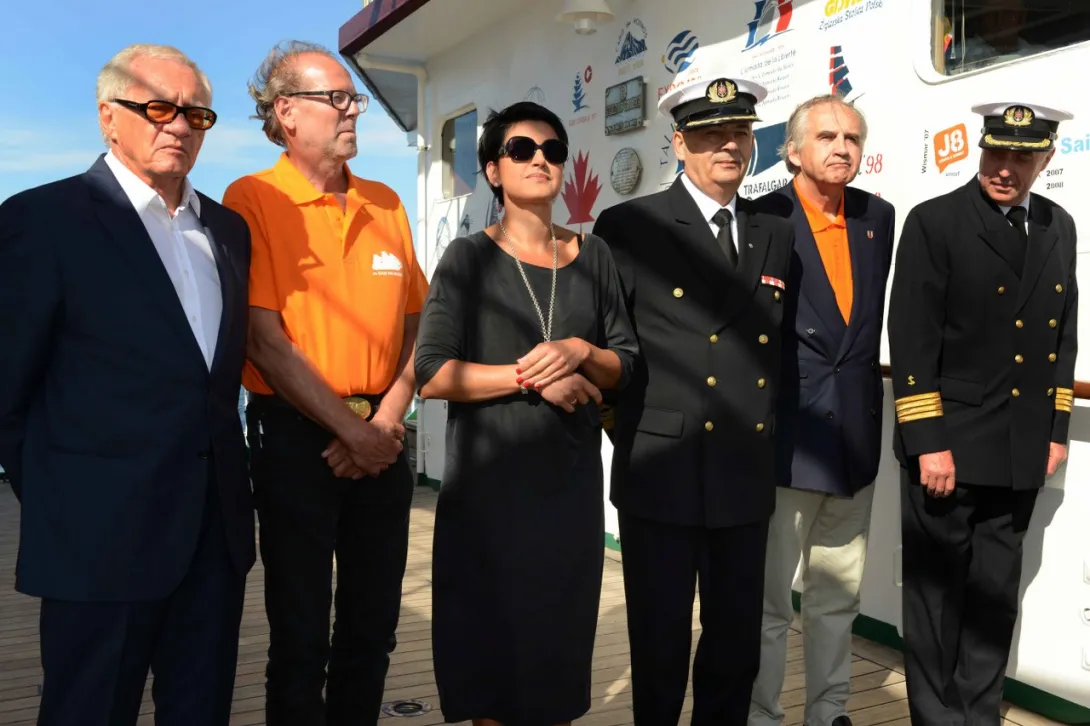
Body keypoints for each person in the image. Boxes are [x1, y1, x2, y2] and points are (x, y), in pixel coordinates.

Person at [0, 44, 254, 725]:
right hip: (96, 540)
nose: (181, 126)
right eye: (159, 108)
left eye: (196, 114)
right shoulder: (42, 219)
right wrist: (65, 498)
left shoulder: (228, 230)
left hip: (213, 539)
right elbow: (9, 389)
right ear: (108, 116)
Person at [220, 40, 426, 726]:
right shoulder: (253, 198)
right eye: (335, 98)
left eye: (353, 98)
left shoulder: (386, 202)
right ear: (286, 112)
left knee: (372, 629)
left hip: (383, 436)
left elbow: (421, 324)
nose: (352, 111)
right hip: (295, 440)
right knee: (300, 635)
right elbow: (262, 339)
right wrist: (351, 431)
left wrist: (384, 423)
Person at [414, 100, 639, 726]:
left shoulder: (595, 255)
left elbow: (625, 364)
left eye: (552, 149)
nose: (540, 159)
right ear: (493, 170)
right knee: (491, 673)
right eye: (521, 149)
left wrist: (580, 352)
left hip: (569, 491)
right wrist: (534, 378)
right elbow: (432, 373)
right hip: (489, 495)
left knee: (555, 663)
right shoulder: (467, 260)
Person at [592, 55, 795, 726]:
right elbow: (607, 346)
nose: (728, 146)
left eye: (739, 132)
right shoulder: (631, 227)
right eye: (710, 134)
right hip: (662, 472)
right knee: (659, 647)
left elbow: (780, 352)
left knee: (735, 647)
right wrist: (631, 429)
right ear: (679, 144)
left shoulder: (774, 232)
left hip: (743, 472)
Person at [886, 100, 1077, 726]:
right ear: (981, 147)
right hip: (950, 446)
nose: (1005, 168)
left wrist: (1056, 431)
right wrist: (928, 441)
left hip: (1021, 448)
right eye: (996, 151)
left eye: (1022, 156)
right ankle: (936, 719)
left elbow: (1062, 338)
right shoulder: (935, 222)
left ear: (1046, 158)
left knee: (995, 598)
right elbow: (912, 339)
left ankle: (979, 714)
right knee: (936, 599)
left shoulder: (1058, 225)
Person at [748, 95, 895, 726]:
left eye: (852, 138)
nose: (842, 148)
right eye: (827, 137)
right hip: (788, 440)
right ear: (792, 151)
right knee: (768, 603)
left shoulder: (877, 217)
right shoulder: (762, 217)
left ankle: (829, 711)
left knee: (837, 596)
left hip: (854, 443)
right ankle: (760, 715)